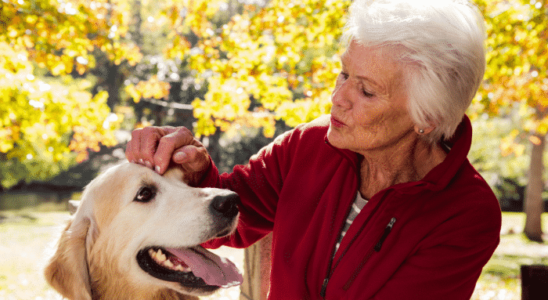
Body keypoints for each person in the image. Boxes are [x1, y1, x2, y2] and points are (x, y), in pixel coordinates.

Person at [125, 0, 502, 299]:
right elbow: (225, 228)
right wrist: (194, 171)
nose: (337, 98)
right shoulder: (308, 144)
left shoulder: (467, 214)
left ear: (428, 116)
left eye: (366, 91)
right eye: (344, 74)